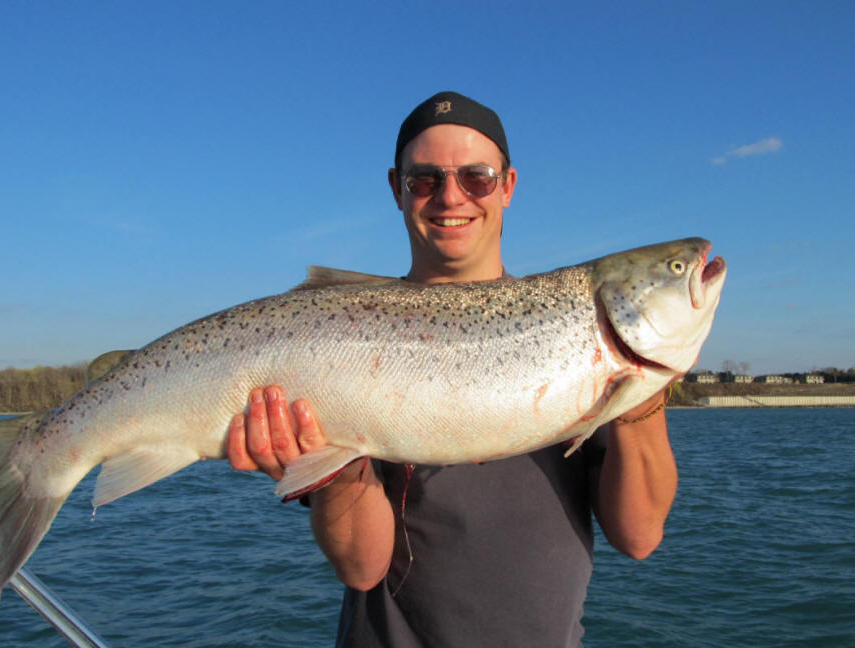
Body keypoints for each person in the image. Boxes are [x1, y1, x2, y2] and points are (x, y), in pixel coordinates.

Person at [226, 91, 678, 647]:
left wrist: (642, 389)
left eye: (476, 177)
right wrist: (335, 468)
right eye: (424, 179)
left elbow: (639, 536)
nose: (450, 196)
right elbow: (363, 568)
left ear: (507, 186)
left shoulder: (577, 331)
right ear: (396, 188)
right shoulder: (339, 336)